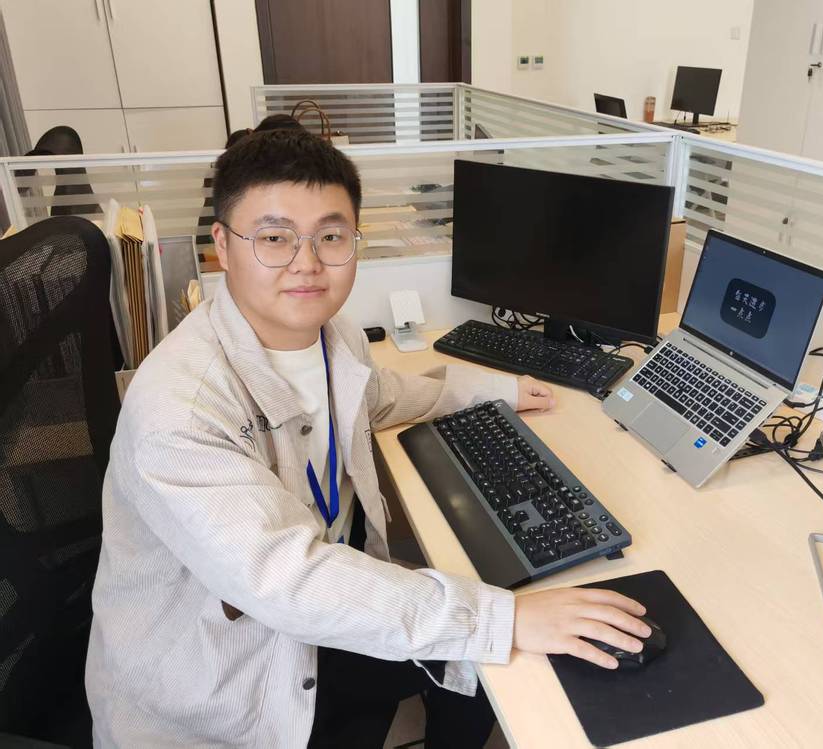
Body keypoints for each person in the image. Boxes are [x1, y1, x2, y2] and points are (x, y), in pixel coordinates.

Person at [85, 129, 651, 748]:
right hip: (224, 677)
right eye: (274, 238)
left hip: (311, 619)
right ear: (222, 245)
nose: (307, 262)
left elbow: (378, 396)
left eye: (330, 237)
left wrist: (497, 390)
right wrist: (503, 618)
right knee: (494, 632)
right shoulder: (181, 408)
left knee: (483, 665)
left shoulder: (336, 337)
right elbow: (284, 580)